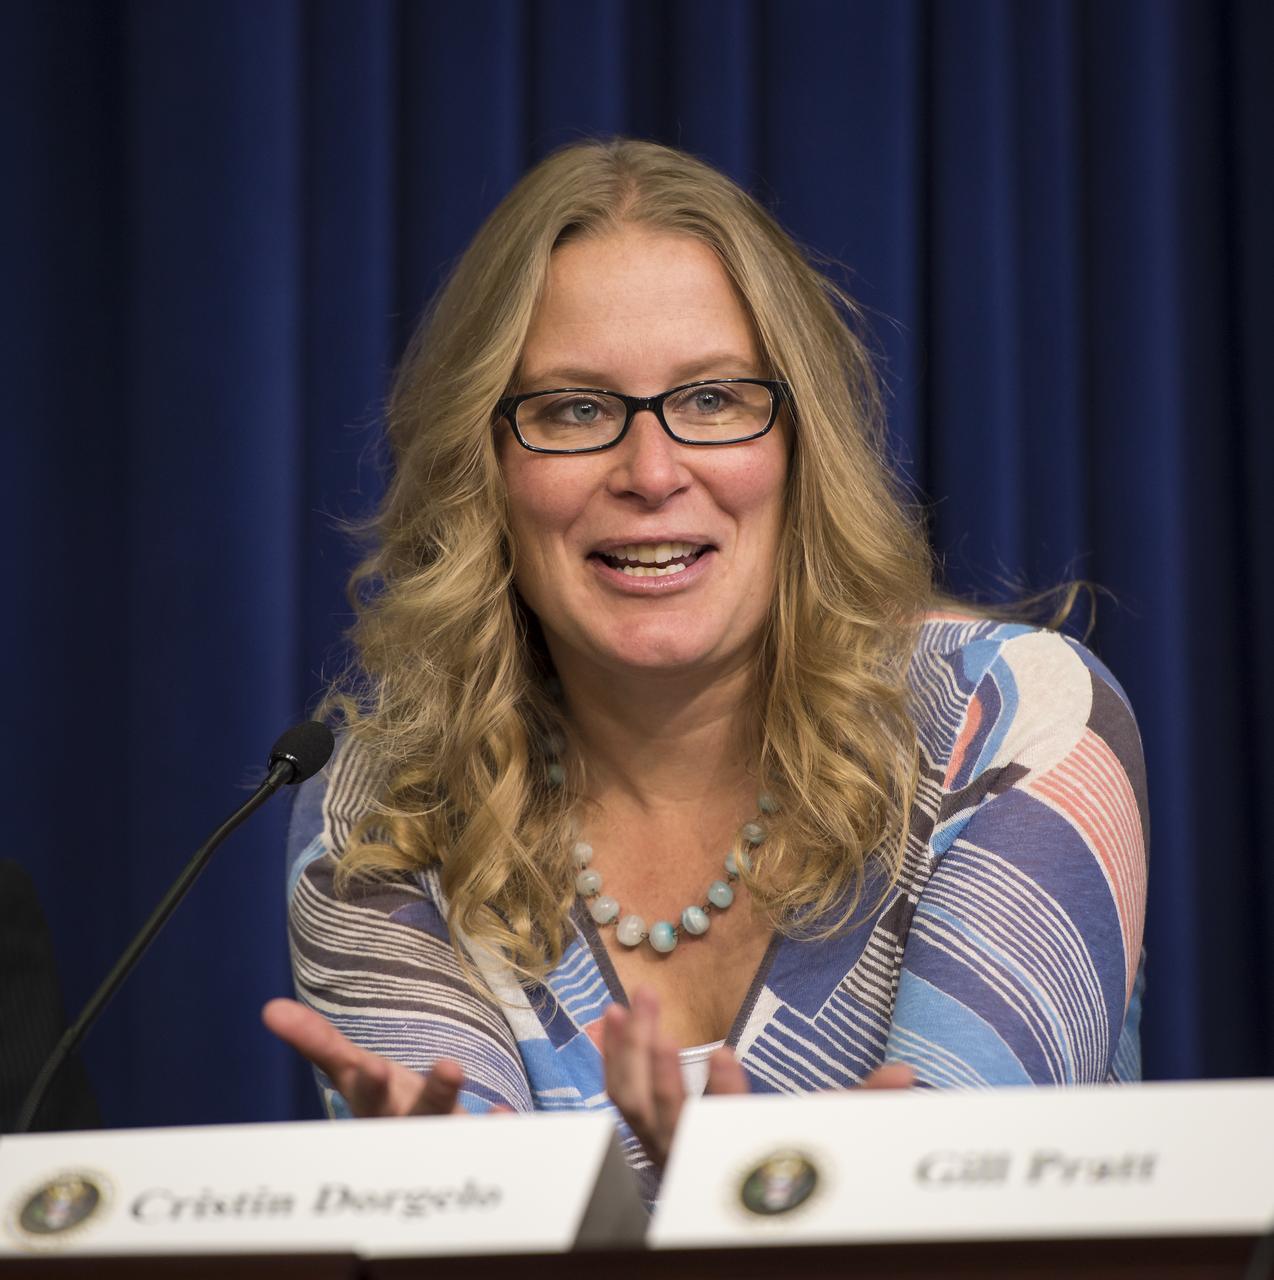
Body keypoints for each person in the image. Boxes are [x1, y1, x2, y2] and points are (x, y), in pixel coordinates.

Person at [263, 139, 1147, 1201]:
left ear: (798, 441)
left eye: (715, 398)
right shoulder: (382, 808)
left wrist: (722, 1218)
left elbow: (963, 1218)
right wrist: (443, 1217)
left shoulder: (1007, 721)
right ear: (481, 467)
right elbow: (469, 1208)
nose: (649, 471)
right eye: (574, 409)